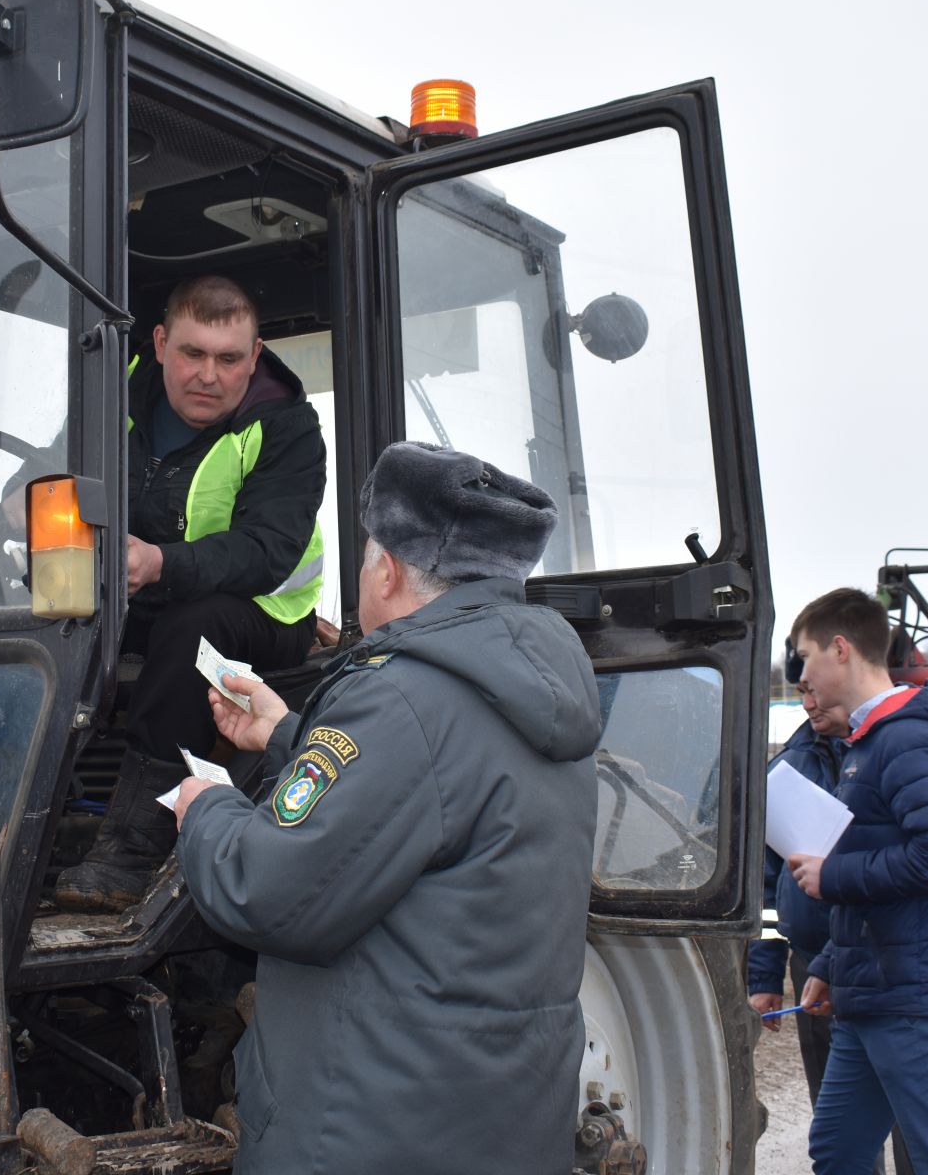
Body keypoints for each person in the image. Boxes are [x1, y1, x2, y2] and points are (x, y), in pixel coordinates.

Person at [169, 442, 601, 1175]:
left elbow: (269, 891)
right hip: (491, 1123)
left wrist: (205, 810)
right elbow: (420, 797)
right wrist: (285, 735)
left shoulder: (399, 695)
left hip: (369, 1132)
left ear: (389, 571)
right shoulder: (524, 678)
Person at [54, 276, 326, 912]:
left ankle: (131, 845)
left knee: (194, 627)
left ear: (254, 357)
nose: (208, 375)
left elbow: (266, 551)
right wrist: (19, 499)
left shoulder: (286, 428)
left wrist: (158, 563)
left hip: (264, 613)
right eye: (192, 354)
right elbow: (54, 467)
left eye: (229, 359)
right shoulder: (112, 390)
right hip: (144, 595)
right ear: (158, 343)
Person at [788, 588, 928, 1175]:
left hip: (913, 995)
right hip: (872, 987)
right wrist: (831, 963)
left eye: (806, 658)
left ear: (841, 649)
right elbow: (881, 864)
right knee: (839, 1150)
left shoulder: (907, 737)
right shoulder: (868, 742)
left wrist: (834, 875)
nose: (803, 674)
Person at [750, 671, 915, 1175]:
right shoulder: (787, 769)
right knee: (840, 1122)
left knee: (914, 1120)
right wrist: (763, 977)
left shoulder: (901, 755)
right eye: (799, 691)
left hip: (894, 962)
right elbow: (768, 885)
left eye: (812, 688)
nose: (806, 703)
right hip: (817, 966)